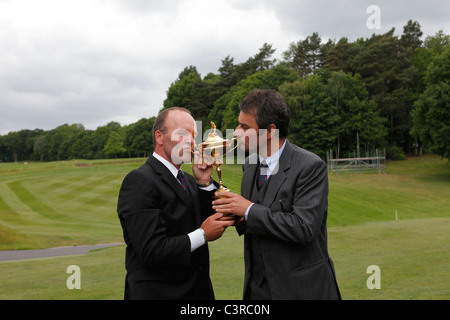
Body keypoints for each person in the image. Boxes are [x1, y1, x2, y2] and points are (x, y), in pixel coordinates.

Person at [213, 89, 341, 300]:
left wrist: (248, 209)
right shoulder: (250, 165)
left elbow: (304, 229)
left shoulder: (310, 166)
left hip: (302, 290)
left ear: (270, 131)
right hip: (257, 291)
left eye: (244, 127)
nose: (235, 132)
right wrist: (232, 211)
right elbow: (252, 222)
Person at [117, 107, 233, 300]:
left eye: (194, 135)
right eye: (183, 133)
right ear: (159, 137)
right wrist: (203, 235)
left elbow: (211, 216)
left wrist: (204, 184)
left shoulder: (188, 179)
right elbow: (151, 251)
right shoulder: (139, 180)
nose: (191, 141)